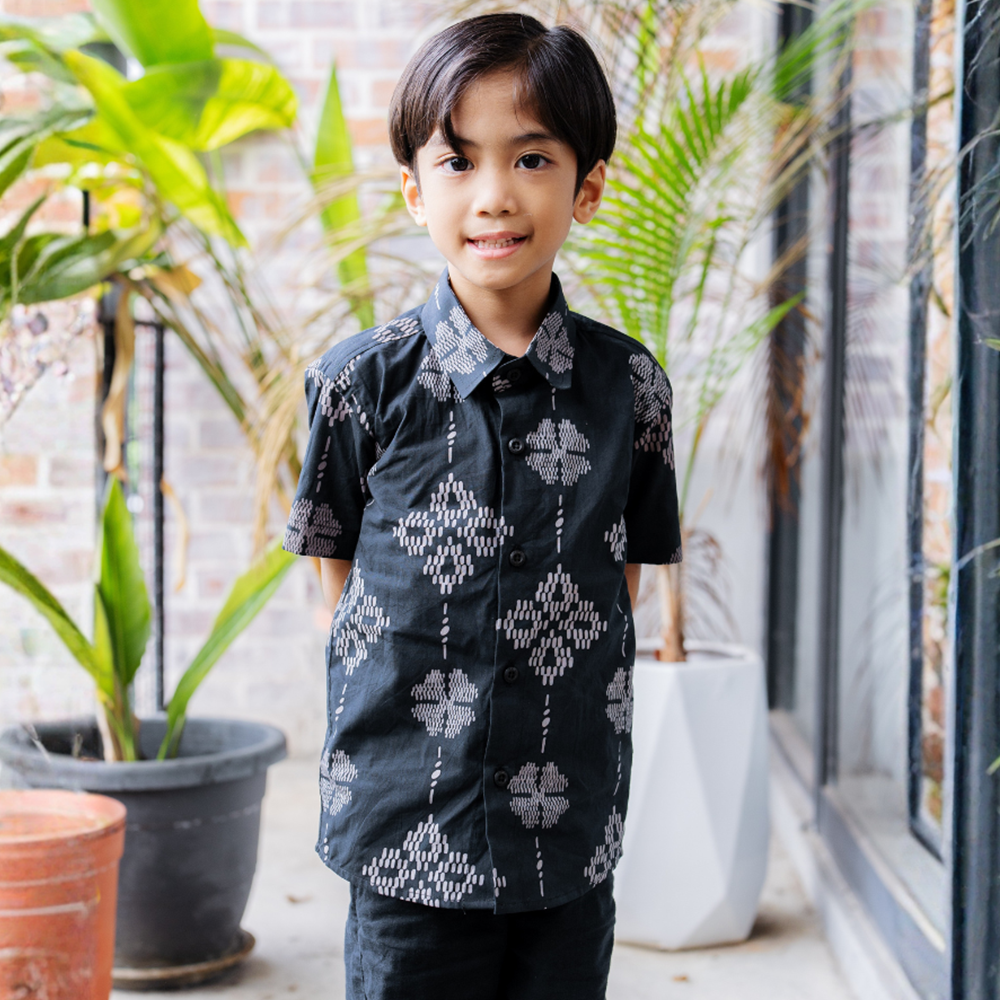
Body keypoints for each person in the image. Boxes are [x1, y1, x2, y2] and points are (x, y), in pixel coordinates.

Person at [282, 12, 681, 999]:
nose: (495, 195)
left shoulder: (629, 388)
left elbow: (620, 575)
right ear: (415, 191)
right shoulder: (358, 386)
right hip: (403, 838)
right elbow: (331, 579)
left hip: (565, 836)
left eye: (532, 158)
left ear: (587, 186)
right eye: (458, 163)